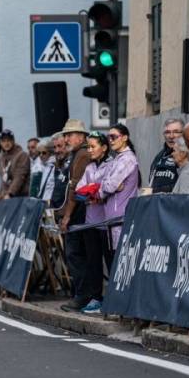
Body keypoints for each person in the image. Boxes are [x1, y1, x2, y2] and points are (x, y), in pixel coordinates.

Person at [70, 132, 110, 314]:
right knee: (93, 262)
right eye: (88, 147)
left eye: (93, 146)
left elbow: (109, 188)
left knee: (111, 261)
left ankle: (114, 297)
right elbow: (79, 191)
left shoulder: (112, 165)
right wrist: (93, 192)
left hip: (108, 222)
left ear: (104, 147)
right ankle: (96, 298)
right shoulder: (90, 167)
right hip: (90, 222)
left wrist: (94, 192)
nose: (90, 150)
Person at [58, 119, 91, 311]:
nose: (66, 138)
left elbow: (75, 188)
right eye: (65, 135)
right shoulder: (77, 154)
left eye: (70, 135)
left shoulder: (82, 155)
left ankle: (82, 296)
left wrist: (67, 215)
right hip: (81, 210)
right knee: (77, 254)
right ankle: (80, 293)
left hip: (80, 211)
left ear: (81, 136)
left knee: (75, 254)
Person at [99, 124, 139, 269]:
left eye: (114, 137)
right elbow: (105, 184)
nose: (110, 140)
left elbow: (108, 186)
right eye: (109, 137)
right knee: (112, 262)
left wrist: (107, 187)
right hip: (111, 217)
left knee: (120, 263)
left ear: (125, 138)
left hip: (121, 217)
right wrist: (107, 186)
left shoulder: (127, 159)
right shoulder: (117, 159)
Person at [0, 129, 30, 202]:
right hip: (7, 198)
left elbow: (19, 177)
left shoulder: (22, 155)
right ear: (0, 143)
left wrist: (10, 194)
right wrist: (0, 196)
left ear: (13, 141)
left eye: (8, 140)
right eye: (3, 141)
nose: (6, 143)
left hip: (21, 197)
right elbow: (4, 181)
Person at [148, 118, 184, 193]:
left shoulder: (186, 156)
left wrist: (156, 190)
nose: (171, 136)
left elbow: (183, 184)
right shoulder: (159, 156)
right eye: (167, 132)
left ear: (183, 133)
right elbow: (151, 180)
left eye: (176, 132)